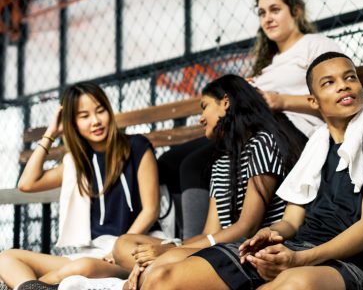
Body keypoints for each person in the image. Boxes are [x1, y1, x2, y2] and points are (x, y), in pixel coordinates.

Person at [138, 52, 363, 290]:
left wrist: (299, 260)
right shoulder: (316, 148)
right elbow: (291, 222)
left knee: (293, 284)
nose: (343, 86)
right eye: (329, 82)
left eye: (350, 78)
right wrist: (267, 234)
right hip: (299, 250)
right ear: (313, 101)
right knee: (162, 276)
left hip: (357, 265)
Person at [69, 75, 305, 290]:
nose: (201, 118)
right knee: (124, 245)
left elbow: (247, 228)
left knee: (161, 265)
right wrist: (172, 246)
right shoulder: (221, 162)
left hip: (249, 249)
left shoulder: (262, 143)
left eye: (204, 107)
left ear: (225, 103)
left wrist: (172, 250)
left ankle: (130, 278)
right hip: (221, 246)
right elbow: (210, 232)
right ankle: (138, 273)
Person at [158, 0, 341, 238]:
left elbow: (339, 97)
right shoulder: (266, 66)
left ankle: (194, 245)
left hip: (289, 132)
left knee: (195, 164)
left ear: (296, 11)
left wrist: (282, 101)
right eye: (262, 12)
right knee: (169, 161)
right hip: (252, 130)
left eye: (275, 9)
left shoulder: (315, 45)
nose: (267, 18)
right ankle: (183, 239)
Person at [0, 83, 162, 290]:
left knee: (81, 267)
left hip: (131, 251)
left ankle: (33, 286)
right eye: (84, 116)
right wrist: (52, 131)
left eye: (100, 111)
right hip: (92, 252)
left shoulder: (137, 147)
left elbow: (151, 210)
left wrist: (117, 250)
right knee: (6, 258)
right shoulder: (78, 163)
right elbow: (27, 183)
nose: (95, 121)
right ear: (72, 122)